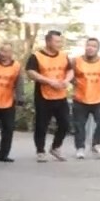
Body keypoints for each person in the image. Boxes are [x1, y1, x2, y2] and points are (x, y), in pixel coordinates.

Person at [25, 30, 73, 162]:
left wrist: (67, 80)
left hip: (60, 96)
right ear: (48, 41)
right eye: (56, 41)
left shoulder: (63, 55)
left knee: (65, 123)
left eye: (60, 41)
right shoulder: (37, 56)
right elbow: (30, 72)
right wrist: (49, 81)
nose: (59, 44)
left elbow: (70, 70)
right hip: (43, 96)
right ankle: (40, 150)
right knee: (42, 124)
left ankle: (56, 147)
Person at [69, 38, 100, 159]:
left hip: (98, 98)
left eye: (94, 46)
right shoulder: (76, 61)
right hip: (80, 98)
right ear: (85, 47)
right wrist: (77, 84)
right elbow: (70, 76)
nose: (90, 48)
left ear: (97, 49)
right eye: (88, 45)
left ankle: (96, 144)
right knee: (79, 125)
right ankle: (80, 148)